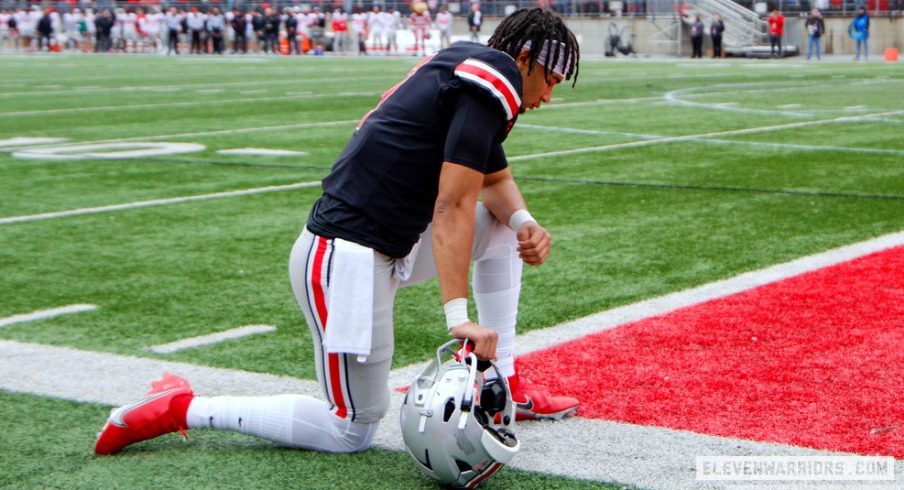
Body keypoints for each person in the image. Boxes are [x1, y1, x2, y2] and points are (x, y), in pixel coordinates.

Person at [95, 7, 582, 458]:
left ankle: (507, 386)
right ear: (523, 59)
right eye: (550, 80)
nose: (547, 97)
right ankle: (180, 407)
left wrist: (525, 223)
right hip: (344, 257)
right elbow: (453, 204)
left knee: (502, 231)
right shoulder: (492, 77)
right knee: (351, 429)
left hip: (394, 243)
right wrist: (458, 317)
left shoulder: (469, 69)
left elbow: (494, 181)